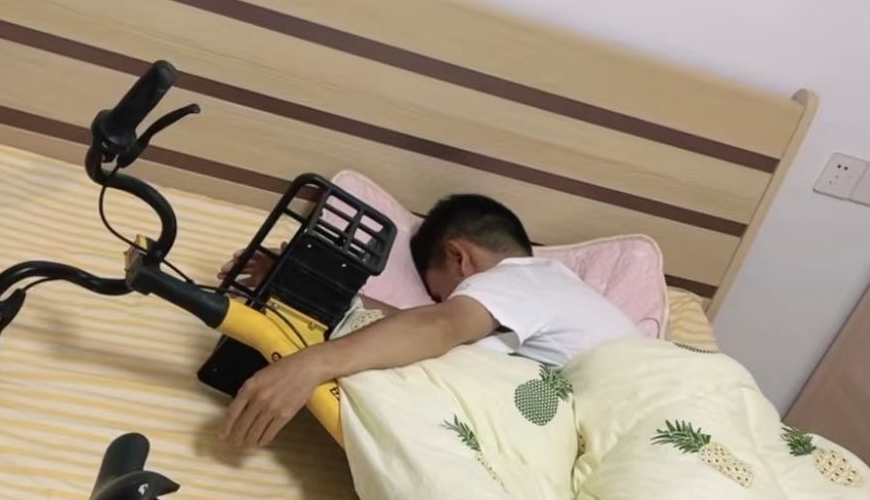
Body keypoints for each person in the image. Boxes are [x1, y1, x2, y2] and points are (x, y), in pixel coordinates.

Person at [221, 193, 639, 450]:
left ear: (460, 258)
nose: (442, 305)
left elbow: (436, 327)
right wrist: (308, 284)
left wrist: (312, 364)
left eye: (440, 295)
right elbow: (414, 328)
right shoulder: (547, 303)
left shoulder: (522, 278)